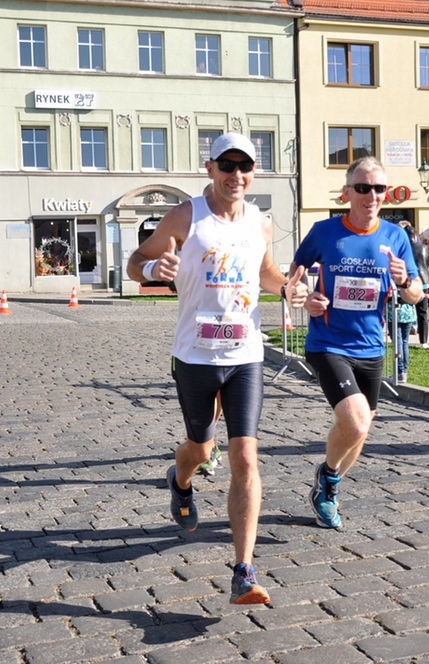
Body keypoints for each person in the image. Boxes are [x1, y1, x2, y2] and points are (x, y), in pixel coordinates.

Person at [126, 132, 307, 605]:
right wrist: (153, 271)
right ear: (210, 168)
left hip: (246, 354)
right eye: (227, 165)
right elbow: (135, 262)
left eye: (244, 166)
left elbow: (264, 271)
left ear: (253, 172)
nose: (236, 175)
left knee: (245, 457)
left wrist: (285, 288)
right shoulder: (186, 216)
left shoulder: (260, 222)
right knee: (201, 449)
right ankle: (180, 480)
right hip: (195, 356)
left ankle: (244, 571)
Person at [290, 156, 422, 529]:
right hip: (328, 343)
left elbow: (415, 294)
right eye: (363, 188)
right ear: (347, 192)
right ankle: (328, 477)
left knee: (359, 432)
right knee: (357, 423)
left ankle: (327, 488)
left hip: (372, 348)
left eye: (379, 188)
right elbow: (296, 275)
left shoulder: (395, 236)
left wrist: (404, 281)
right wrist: (306, 296)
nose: (371, 195)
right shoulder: (324, 231)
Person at [405, 225, 429, 349]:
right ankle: (423, 341)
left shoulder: (403, 249)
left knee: (406, 308)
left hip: (409, 282)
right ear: (415, 236)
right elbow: (427, 263)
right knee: (423, 312)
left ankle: (405, 337)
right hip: (423, 280)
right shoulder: (424, 247)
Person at [387, 288, 417, 383]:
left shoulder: (393, 281)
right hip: (408, 312)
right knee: (404, 342)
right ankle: (404, 371)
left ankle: (400, 371)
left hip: (395, 312)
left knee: (398, 342)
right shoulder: (410, 281)